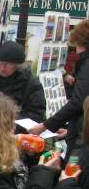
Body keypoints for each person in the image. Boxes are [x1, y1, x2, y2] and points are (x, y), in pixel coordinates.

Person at [28, 19, 89, 158]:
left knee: (73, 167)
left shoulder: (86, 66)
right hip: (80, 130)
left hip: (81, 135)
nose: (76, 50)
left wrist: (45, 126)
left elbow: (78, 102)